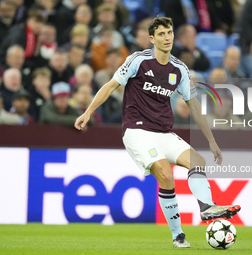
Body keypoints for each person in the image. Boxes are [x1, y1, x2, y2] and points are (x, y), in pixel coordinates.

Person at [74, 17, 241, 248]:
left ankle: (206, 208)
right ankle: (177, 235)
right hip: (137, 131)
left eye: (170, 32)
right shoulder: (138, 60)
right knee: (165, 173)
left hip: (163, 132)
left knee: (198, 160)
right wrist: (89, 112)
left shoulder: (180, 69)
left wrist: (211, 141)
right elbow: (111, 85)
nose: (167, 37)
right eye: (161, 34)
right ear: (152, 38)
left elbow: (194, 105)